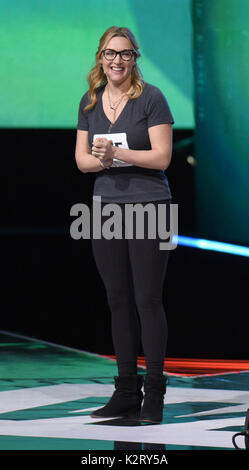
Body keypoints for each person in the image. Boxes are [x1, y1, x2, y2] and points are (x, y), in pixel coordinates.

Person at [75, 26, 174, 424]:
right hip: (105, 210)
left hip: (151, 206)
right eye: (110, 54)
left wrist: (120, 152)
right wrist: (103, 159)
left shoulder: (151, 98)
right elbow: (81, 160)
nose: (118, 61)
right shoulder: (89, 101)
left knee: (147, 299)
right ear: (100, 57)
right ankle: (126, 391)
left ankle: (154, 393)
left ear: (136, 58)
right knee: (117, 300)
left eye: (126, 54)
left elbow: (163, 157)